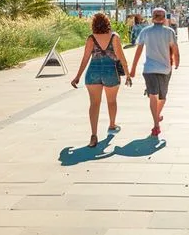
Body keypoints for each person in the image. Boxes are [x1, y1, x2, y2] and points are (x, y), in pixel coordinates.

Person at [71, 13, 128, 147]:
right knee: (111, 101)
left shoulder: (91, 38)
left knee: (94, 104)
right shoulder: (114, 37)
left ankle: (93, 134)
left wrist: (78, 76)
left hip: (93, 72)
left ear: (94, 24)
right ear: (108, 23)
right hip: (110, 72)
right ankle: (112, 125)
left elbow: (85, 58)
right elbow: (121, 57)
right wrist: (128, 74)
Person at [129, 8, 179, 137]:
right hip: (165, 69)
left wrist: (133, 68)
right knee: (161, 97)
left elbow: (138, 50)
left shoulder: (145, 32)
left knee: (153, 96)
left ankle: (156, 120)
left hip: (149, 69)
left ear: (152, 17)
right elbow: (175, 48)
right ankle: (156, 123)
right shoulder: (169, 32)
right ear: (164, 18)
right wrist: (177, 62)